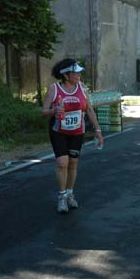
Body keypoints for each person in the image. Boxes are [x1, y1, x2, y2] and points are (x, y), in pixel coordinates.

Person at [41, 58, 103, 213]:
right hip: (59, 132)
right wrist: (54, 111)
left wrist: (98, 131)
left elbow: (89, 110)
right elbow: (44, 111)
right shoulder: (54, 89)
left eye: (79, 72)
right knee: (62, 163)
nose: (79, 75)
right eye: (76, 73)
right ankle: (61, 197)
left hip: (77, 132)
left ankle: (70, 193)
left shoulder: (82, 88)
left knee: (73, 164)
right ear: (66, 75)